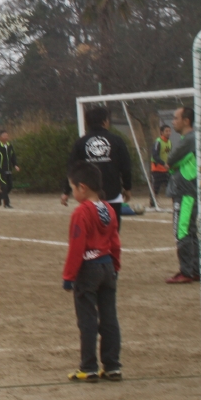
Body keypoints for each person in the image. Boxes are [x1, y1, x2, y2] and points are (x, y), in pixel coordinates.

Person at [62, 161, 122, 382]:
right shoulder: (108, 209)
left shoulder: (81, 212)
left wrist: (69, 276)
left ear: (83, 187)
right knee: (109, 318)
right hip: (107, 267)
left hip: (88, 269)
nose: (72, 192)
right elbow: (115, 242)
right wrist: (115, 266)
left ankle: (88, 367)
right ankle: (112, 366)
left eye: (73, 188)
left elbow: (77, 247)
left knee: (87, 319)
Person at [60, 107, 133, 227]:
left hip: (89, 195)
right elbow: (126, 166)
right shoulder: (117, 141)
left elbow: (72, 168)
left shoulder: (80, 142)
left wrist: (66, 191)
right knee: (112, 231)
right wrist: (127, 187)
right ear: (105, 121)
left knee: (91, 231)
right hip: (112, 194)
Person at [166, 107, 199, 284]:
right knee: (190, 231)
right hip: (188, 192)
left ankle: (187, 272)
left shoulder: (189, 139)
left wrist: (172, 164)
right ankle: (195, 270)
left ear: (186, 121)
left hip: (186, 193)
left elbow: (170, 160)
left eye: (176, 118)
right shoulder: (191, 139)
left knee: (183, 230)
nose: (173, 122)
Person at [0, 131, 20, 209]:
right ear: (0, 137)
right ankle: (6, 204)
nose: (6, 137)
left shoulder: (10, 146)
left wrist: (15, 165)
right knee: (4, 187)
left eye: (7, 136)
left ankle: (0, 196)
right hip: (1, 170)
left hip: (9, 169)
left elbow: (13, 157)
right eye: (4, 136)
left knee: (10, 186)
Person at [150, 125, 172, 206]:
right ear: (162, 132)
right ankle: (153, 202)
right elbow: (155, 155)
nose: (168, 133)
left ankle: (175, 201)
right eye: (166, 131)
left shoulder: (169, 142)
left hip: (166, 169)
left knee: (171, 185)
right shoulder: (158, 142)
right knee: (156, 187)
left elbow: (169, 155)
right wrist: (163, 163)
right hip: (157, 169)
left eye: (169, 131)